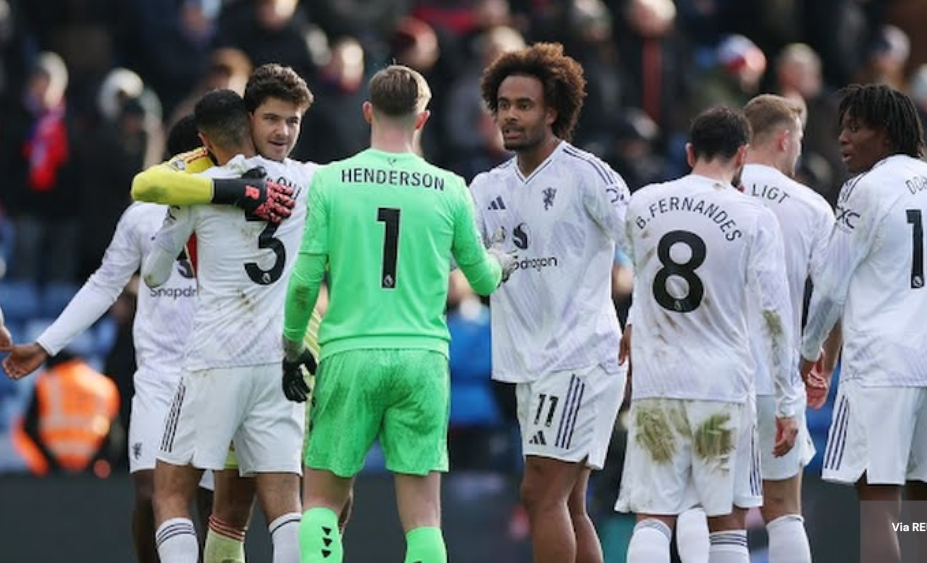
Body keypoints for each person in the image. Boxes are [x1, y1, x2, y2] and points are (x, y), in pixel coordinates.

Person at [283, 64, 514, 563]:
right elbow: (481, 281)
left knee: (321, 502)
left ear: (368, 112)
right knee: (424, 518)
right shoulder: (449, 187)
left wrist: (293, 342)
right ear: (423, 119)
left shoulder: (332, 181)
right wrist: (501, 260)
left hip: (349, 352)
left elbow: (304, 281)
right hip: (422, 357)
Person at [0, 113, 218, 563]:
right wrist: (46, 345)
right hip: (158, 377)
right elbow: (104, 284)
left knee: (213, 503)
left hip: (217, 375)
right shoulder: (143, 215)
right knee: (149, 493)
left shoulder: (234, 211)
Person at [132, 63, 323, 563]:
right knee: (285, 506)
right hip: (277, 361)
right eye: (273, 120)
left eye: (292, 121)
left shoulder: (198, 188)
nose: (283, 131)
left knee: (171, 494)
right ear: (250, 120)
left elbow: (154, 274)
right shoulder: (307, 182)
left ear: (205, 140)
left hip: (212, 359)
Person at [799, 83, 927, 563]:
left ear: (887, 134)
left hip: (883, 370)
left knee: (880, 511)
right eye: (843, 128)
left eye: (856, 127)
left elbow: (831, 285)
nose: (843, 138)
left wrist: (809, 351)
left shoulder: (866, 188)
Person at [615, 106, 800, 563]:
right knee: (726, 522)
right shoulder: (754, 216)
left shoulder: (643, 203)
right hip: (722, 385)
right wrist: (786, 400)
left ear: (689, 152)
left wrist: (632, 324)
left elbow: (641, 276)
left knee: (653, 517)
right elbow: (775, 316)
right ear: (742, 155)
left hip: (658, 382)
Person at [471, 42, 630, 563]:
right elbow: (454, 257)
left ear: (553, 112)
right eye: (503, 105)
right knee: (568, 501)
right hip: (530, 364)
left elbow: (646, 245)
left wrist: (643, 320)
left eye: (524, 105)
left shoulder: (588, 175)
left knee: (540, 494)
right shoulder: (487, 186)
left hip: (579, 358)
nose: (510, 116)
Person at [741, 93, 837, 562]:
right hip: (776, 375)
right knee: (783, 509)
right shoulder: (812, 206)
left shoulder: (706, 195)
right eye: (798, 139)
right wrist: (819, 362)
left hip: (710, 374)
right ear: (784, 139)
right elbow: (833, 295)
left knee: (710, 509)